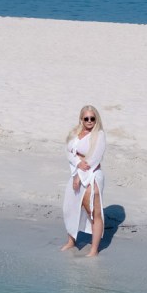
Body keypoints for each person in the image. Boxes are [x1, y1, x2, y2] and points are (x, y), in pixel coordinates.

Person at [59, 105, 107, 257]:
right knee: (70, 207)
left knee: (93, 211)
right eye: (86, 118)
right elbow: (69, 151)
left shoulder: (99, 135)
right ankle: (71, 241)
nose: (89, 121)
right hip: (76, 172)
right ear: (81, 119)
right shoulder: (75, 133)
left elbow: (93, 159)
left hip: (91, 176)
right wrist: (77, 166)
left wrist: (79, 175)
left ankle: (94, 249)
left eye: (92, 118)